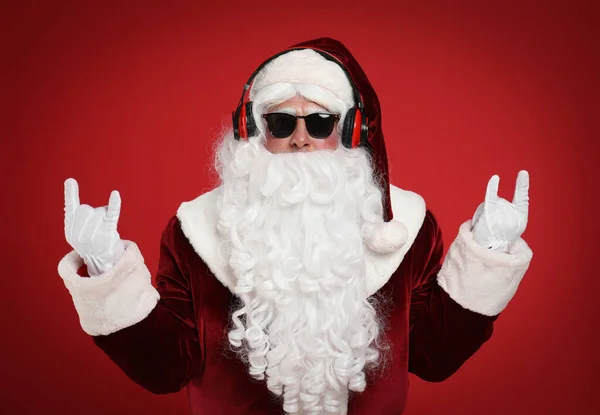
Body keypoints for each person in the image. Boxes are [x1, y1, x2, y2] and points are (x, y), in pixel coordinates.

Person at [57, 37, 533, 414]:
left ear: (349, 130)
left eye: (321, 122)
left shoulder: (407, 227)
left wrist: (489, 247)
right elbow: (165, 370)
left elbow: (433, 357)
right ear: (254, 132)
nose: (301, 139)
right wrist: (106, 266)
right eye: (281, 123)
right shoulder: (194, 233)